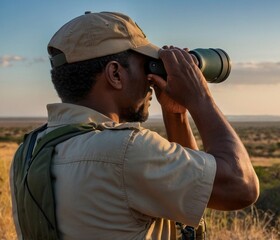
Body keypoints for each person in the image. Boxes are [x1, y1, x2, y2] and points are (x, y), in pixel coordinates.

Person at [10, 11, 259, 240]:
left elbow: (196, 188)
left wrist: (176, 115)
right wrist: (199, 96)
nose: (152, 82)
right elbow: (240, 187)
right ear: (116, 74)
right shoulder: (125, 150)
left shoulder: (31, 149)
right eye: (147, 66)